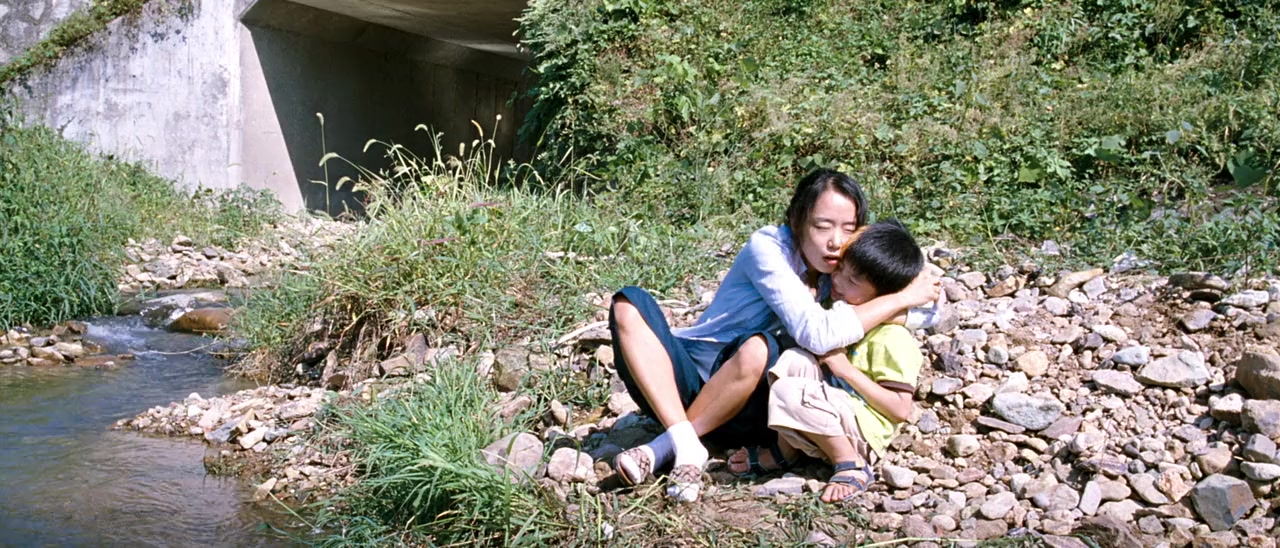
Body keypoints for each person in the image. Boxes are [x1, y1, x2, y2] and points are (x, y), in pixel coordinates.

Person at [607, 168, 940, 502]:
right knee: (629, 304)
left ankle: (665, 446)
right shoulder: (768, 249)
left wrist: (902, 297)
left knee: (760, 348)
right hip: (686, 383)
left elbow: (930, 310)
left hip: (762, 407)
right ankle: (684, 440)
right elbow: (817, 334)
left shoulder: (840, 273)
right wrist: (901, 300)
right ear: (797, 220)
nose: (836, 241)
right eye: (822, 226)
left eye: (849, 229)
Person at [766, 219, 926, 503]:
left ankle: (850, 463)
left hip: (864, 431)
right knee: (793, 360)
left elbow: (900, 409)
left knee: (788, 391)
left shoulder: (892, 338)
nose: (837, 281)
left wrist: (846, 370)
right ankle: (786, 452)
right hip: (834, 412)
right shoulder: (841, 313)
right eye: (839, 269)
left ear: (883, 296)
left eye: (852, 281)